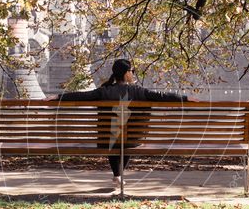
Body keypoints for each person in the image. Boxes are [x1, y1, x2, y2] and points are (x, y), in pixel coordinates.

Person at [45, 59, 199, 188]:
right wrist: (184, 98)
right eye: (132, 71)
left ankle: (117, 175)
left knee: (114, 137)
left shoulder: (103, 91)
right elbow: (162, 96)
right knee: (127, 139)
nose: (133, 73)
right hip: (132, 140)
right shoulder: (138, 91)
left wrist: (58, 97)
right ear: (126, 73)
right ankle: (119, 175)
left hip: (108, 139)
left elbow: (82, 95)